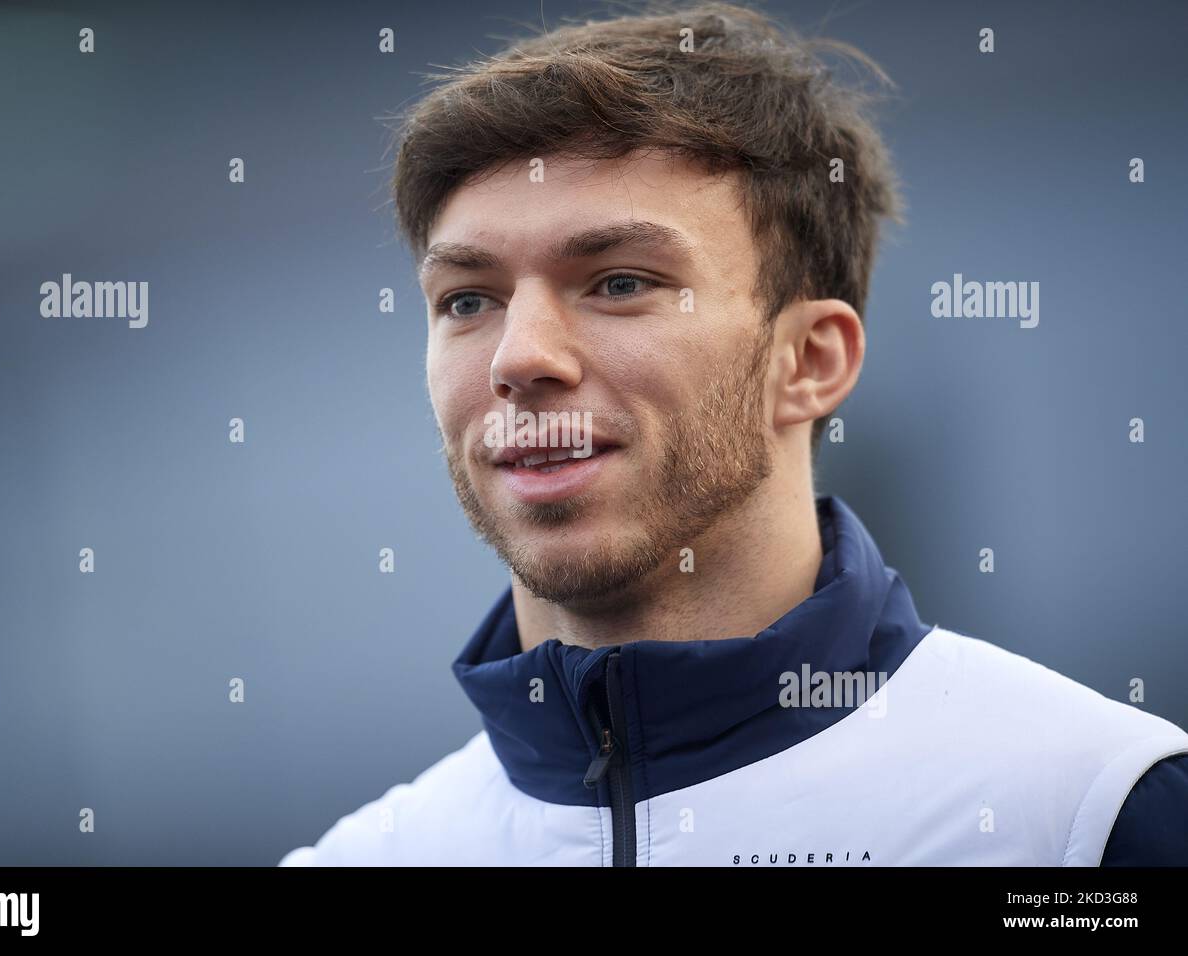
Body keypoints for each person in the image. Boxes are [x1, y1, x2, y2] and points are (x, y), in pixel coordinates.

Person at [281, 1, 1188, 866]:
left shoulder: (1090, 817)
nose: (519, 358)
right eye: (468, 300)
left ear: (810, 362)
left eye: (620, 281)